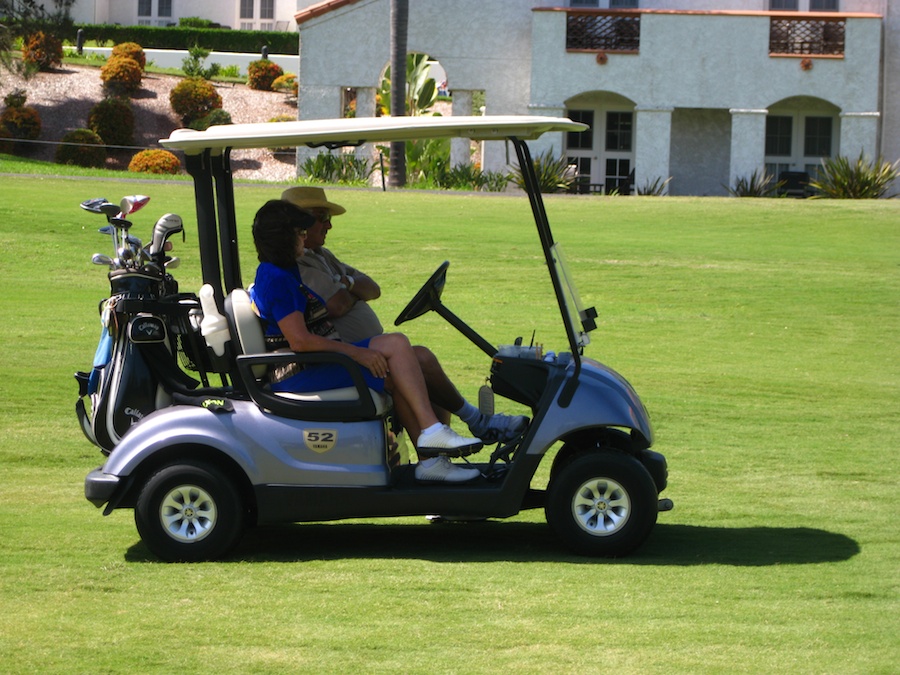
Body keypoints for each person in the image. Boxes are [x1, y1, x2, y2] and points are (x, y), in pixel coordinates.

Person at [249, 199, 481, 483]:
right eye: (299, 233)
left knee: (396, 372)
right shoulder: (276, 279)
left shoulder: (285, 270)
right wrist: (355, 354)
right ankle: (433, 431)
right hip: (298, 371)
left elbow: (368, 290)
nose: (303, 238)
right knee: (395, 343)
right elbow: (300, 342)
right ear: (285, 238)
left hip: (313, 363)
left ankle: (430, 462)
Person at [281, 186, 528, 445]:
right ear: (300, 224)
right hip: (342, 357)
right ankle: (436, 451)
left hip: (362, 352)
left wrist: (346, 283)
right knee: (402, 361)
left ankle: (463, 434)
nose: (328, 225)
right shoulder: (298, 266)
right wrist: (349, 288)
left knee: (420, 357)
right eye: (321, 218)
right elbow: (338, 304)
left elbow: (372, 288)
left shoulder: (322, 256)